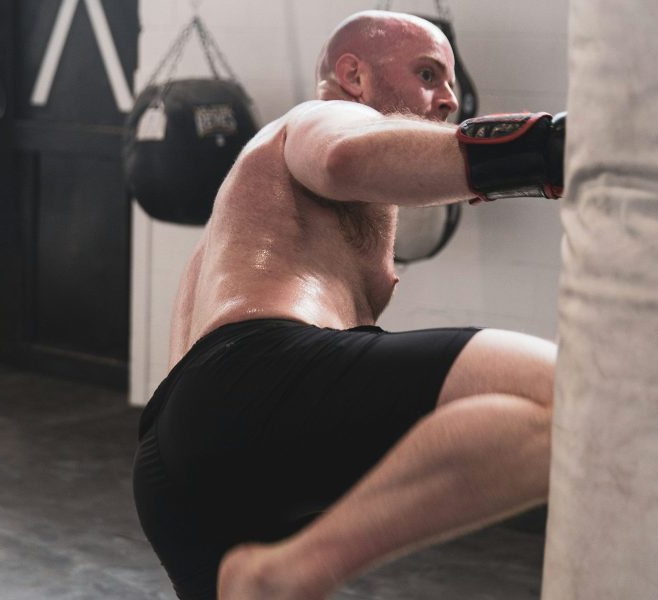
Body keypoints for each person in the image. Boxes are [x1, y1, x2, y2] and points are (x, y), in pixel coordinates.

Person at [133, 10, 562, 600]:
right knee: (571, 398)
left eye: (450, 86)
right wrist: (552, 149)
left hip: (176, 461)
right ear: (353, 74)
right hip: (255, 376)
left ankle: (280, 571)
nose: (445, 101)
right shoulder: (324, 116)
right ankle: (293, 569)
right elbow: (344, 157)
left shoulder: (239, 222)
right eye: (428, 73)